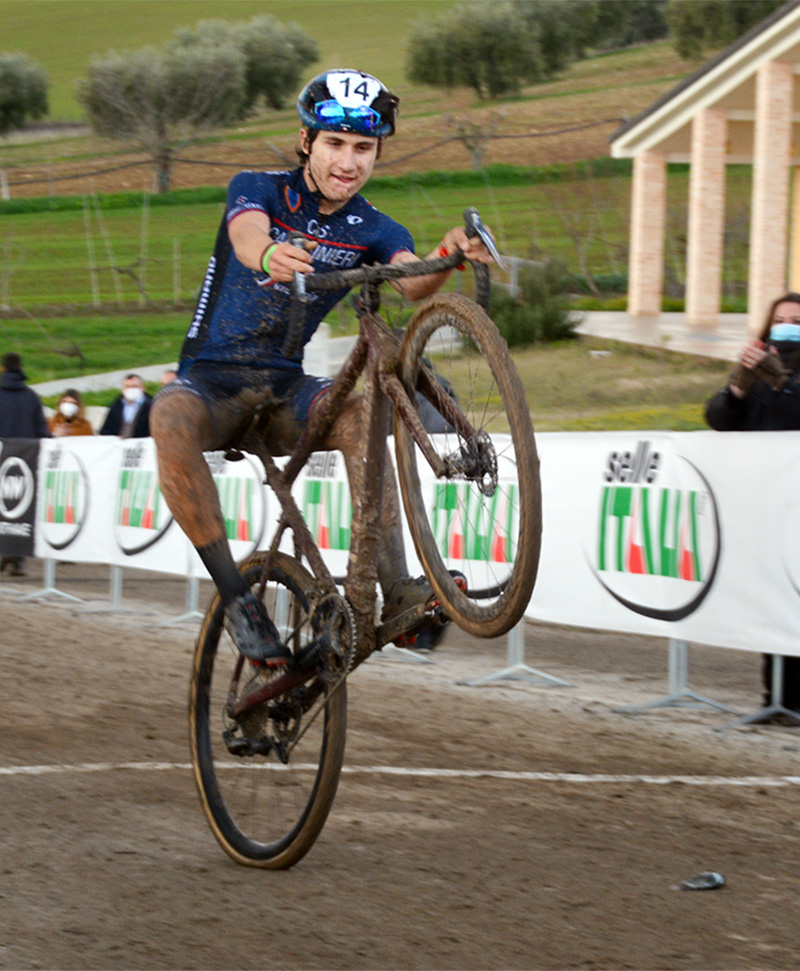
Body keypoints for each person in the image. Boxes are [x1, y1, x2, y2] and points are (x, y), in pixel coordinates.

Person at [150, 68, 493, 667]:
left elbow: (414, 283)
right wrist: (267, 253)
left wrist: (449, 255)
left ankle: (398, 590)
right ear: (306, 141)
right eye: (335, 143)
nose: (349, 161)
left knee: (360, 411)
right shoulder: (258, 186)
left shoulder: (373, 226)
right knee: (168, 416)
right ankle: (237, 599)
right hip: (211, 383)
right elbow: (245, 232)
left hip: (285, 390)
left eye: (364, 148)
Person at [706, 291, 800, 714]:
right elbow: (719, 420)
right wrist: (738, 388)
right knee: (771, 602)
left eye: (795, 321)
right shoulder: (756, 371)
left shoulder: (780, 376)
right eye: (780, 320)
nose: (786, 328)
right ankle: (776, 697)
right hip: (763, 507)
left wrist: (784, 383)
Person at [0, 352, 50, 576]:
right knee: (22, 508)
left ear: (3, 369)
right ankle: (18, 558)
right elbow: (42, 430)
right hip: (27, 460)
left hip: (2, 456)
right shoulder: (31, 396)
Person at [99, 373, 152, 438]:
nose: (131, 389)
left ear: (143, 388)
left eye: (134, 386)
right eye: (127, 386)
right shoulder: (116, 405)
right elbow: (106, 429)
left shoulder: (152, 406)